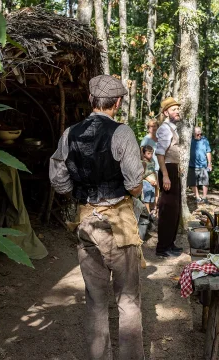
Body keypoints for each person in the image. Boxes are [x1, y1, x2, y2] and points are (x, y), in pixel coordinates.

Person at [49, 75, 144, 360]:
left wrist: (80, 194)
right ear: (117, 103)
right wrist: (136, 190)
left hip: (87, 222)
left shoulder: (69, 134)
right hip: (119, 224)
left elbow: (58, 179)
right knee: (128, 300)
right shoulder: (123, 133)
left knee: (95, 301)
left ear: (91, 101)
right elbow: (133, 183)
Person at [155, 97, 184, 258]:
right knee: (167, 210)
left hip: (173, 170)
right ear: (166, 112)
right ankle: (162, 248)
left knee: (174, 210)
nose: (177, 111)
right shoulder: (165, 129)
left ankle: (170, 244)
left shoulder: (172, 128)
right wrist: (166, 176)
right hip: (167, 170)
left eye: (177, 109)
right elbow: (160, 154)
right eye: (173, 109)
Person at [188, 126, 212, 203]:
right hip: (192, 165)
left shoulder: (205, 140)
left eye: (200, 132)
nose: (199, 134)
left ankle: (204, 198)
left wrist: (209, 163)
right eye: (197, 132)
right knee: (193, 182)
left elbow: (208, 152)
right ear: (193, 133)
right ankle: (198, 197)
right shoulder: (189, 140)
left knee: (205, 182)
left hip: (203, 165)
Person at [141, 145, 158, 215]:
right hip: (146, 184)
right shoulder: (143, 163)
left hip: (153, 184)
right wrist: (150, 180)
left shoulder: (152, 162)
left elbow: (154, 172)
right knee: (146, 200)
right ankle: (148, 215)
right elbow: (142, 175)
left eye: (151, 153)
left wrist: (156, 180)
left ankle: (151, 213)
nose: (150, 155)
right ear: (144, 154)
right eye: (148, 153)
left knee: (152, 199)